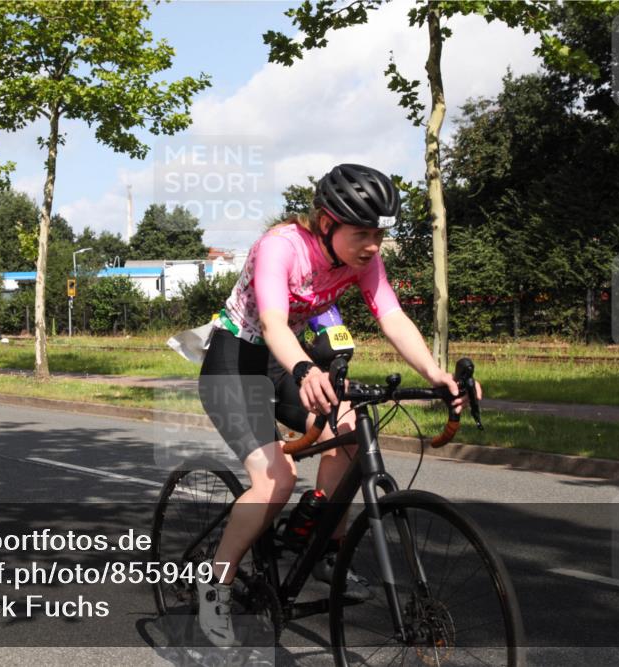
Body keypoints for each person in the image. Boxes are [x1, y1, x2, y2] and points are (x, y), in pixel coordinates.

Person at [194, 163, 481, 647]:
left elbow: (390, 316)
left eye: (379, 234)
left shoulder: (364, 261)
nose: (373, 246)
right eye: (362, 233)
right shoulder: (280, 246)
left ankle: (326, 550)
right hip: (237, 357)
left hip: (288, 358)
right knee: (275, 479)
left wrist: (436, 374)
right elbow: (272, 324)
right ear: (326, 224)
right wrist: (306, 370)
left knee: (346, 430)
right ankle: (213, 588)